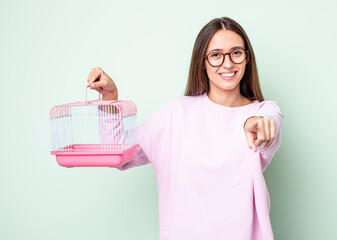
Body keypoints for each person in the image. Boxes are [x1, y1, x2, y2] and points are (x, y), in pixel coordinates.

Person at [87, 17, 283, 240]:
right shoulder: (176, 113)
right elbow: (119, 153)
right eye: (216, 55)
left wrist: (257, 123)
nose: (228, 64)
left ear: (247, 58)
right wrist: (110, 99)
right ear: (203, 62)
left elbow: (270, 127)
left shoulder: (264, 112)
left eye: (236, 53)